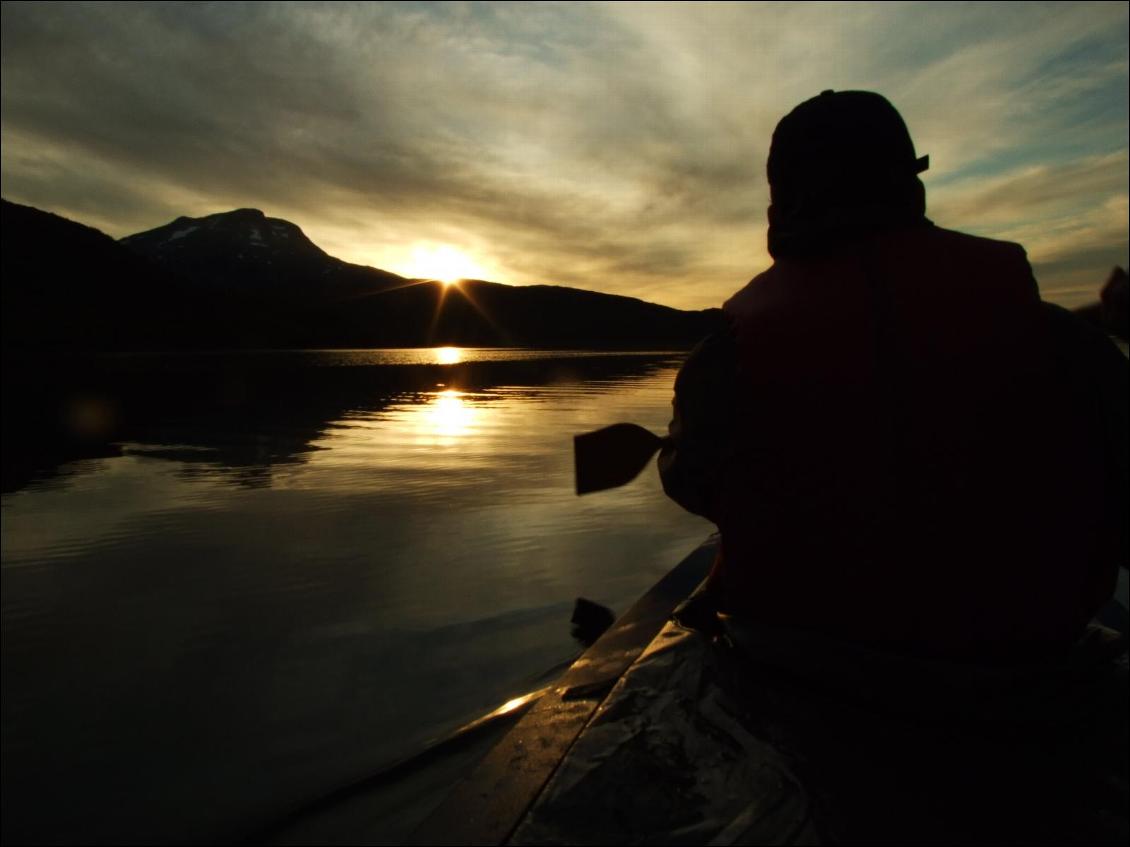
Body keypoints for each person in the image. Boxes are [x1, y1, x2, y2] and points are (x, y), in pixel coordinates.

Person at [659, 90, 1128, 663]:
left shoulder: (725, 360)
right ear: (913, 188)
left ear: (780, 210)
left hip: (801, 668)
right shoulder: (1067, 344)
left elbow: (692, 483)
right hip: (1022, 663)